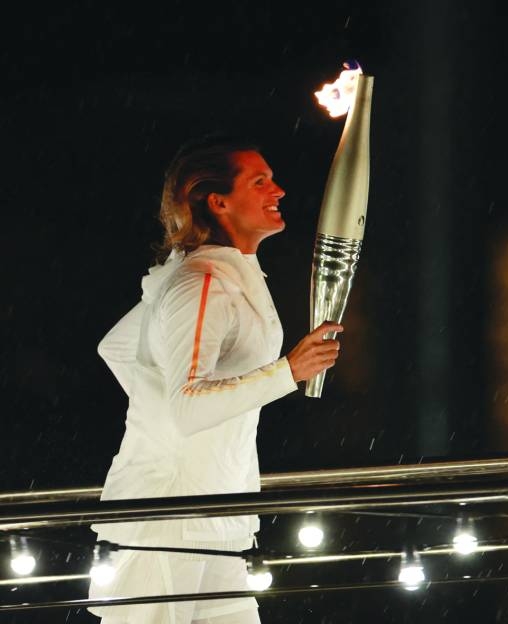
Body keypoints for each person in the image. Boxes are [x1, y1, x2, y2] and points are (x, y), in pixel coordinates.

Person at [88, 134, 341, 623]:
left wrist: (158, 415)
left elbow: (118, 348)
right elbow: (188, 404)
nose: (280, 190)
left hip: (216, 509)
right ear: (218, 201)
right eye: (260, 181)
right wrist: (288, 371)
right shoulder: (200, 282)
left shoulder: (222, 274)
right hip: (169, 519)